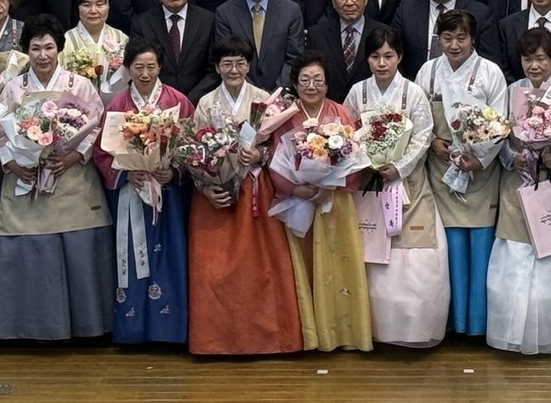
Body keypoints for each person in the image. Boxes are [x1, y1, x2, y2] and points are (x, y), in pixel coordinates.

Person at [0, 15, 114, 340]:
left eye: (49, 47)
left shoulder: (79, 84)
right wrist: (13, 163)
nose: (43, 55)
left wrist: (72, 155)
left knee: (78, 239)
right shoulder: (14, 88)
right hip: (26, 175)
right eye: (36, 48)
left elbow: (96, 124)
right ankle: (24, 325)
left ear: (59, 49)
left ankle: (88, 326)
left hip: (71, 177)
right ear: (26, 51)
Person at [187, 35, 304, 355]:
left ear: (249, 65)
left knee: (260, 269)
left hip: (255, 187)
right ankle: (215, 340)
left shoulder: (265, 100)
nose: (234, 68)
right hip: (218, 194)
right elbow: (195, 152)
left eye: (240, 62)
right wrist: (207, 186)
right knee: (213, 269)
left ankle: (266, 338)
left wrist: (261, 156)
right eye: (227, 63)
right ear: (216, 68)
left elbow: (279, 148)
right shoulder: (206, 103)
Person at [342, 26, 448, 347]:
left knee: (416, 257)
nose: (382, 63)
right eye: (375, 56)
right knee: (372, 254)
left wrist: (398, 167)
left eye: (389, 55)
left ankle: (415, 328)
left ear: (400, 56)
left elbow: (423, 134)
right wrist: (368, 161)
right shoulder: (357, 92)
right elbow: (347, 134)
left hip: (409, 185)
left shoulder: (413, 92)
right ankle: (372, 328)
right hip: (370, 183)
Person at [486, 27, 551, 355]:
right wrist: (512, 157)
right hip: (517, 186)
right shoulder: (511, 90)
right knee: (513, 258)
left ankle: (550, 336)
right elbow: (494, 135)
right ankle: (510, 335)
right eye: (528, 59)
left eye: (540, 58)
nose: (534, 65)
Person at [269, 51, 373, 352]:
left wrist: (332, 186)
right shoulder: (285, 117)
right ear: (295, 83)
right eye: (305, 80)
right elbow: (275, 161)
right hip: (298, 204)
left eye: (318, 80)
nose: (311, 86)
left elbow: (356, 160)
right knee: (302, 265)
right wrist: (295, 189)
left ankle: (343, 332)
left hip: (334, 203)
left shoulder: (341, 114)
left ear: (327, 84)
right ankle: (308, 335)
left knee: (338, 264)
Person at [93, 38, 194, 344]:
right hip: (131, 193)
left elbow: (190, 147)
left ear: (160, 66)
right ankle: (132, 329)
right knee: (131, 257)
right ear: (127, 69)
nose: (146, 73)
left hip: (168, 196)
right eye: (138, 67)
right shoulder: (117, 105)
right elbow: (102, 152)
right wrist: (127, 171)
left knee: (168, 255)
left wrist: (174, 170)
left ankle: (169, 329)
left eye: (151, 66)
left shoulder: (178, 101)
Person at [419, 8, 508, 338]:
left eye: (461, 37)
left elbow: (500, 122)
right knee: (450, 248)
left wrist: (479, 159)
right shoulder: (428, 72)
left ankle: (478, 324)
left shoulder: (490, 73)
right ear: (438, 39)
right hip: (443, 171)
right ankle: (454, 323)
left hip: (481, 174)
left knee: (480, 248)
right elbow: (418, 118)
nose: (454, 45)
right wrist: (432, 143)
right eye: (447, 37)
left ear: (473, 39)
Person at [391, 0, 499, 80]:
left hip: (467, 92)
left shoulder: (480, 14)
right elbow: (393, 54)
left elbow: (489, 63)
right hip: (418, 88)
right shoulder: (406, 9)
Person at [213, 0, 304, 90]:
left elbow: (294, 59)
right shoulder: (225, 13)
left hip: (281, 97)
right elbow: (226, 59)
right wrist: (253, 95)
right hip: (240, 95)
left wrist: (275, 96)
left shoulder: (291, 11)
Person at [130, 0, 215, 102]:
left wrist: (189, 100)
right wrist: (165, 99)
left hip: (199, 103)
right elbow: (139, 69)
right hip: (156, 104)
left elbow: (213, 70)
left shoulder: (208, 20)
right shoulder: (142, 23)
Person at [304, 0, 388, 103]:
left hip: (372, 111)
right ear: (333, 1)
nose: (349, 2)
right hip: (329, 114)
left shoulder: (384, 33)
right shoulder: (317, 34)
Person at [62, 0, 129, 95]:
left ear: (109, 5)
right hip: (76, 105)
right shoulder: (66, 40)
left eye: (100, 4)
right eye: (86, 5)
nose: (93, 11)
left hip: (115, 104)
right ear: (78, 7)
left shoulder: (121, 38)